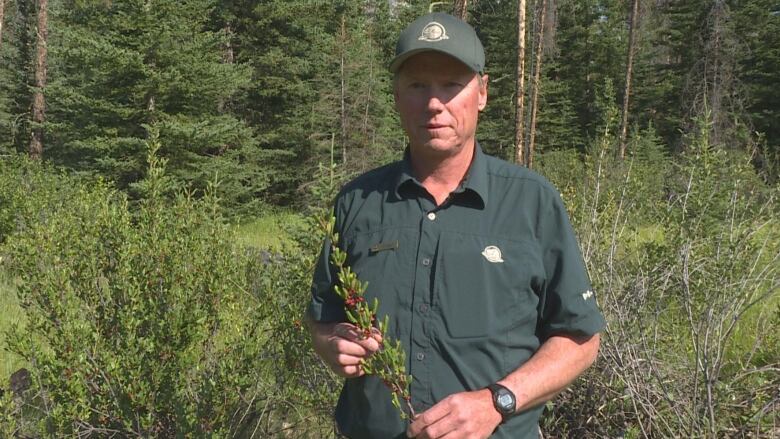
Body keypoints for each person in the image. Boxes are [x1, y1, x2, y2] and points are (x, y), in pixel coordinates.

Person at [306, 12, 606, 439]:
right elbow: (321, 318)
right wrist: (331, 342)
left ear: (481, 93)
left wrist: (497, 401)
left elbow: (579, 338)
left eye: (451, 85)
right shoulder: (357, 204)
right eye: (418, 85)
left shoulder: (531, 203)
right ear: (396, 96)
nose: (434, 102)